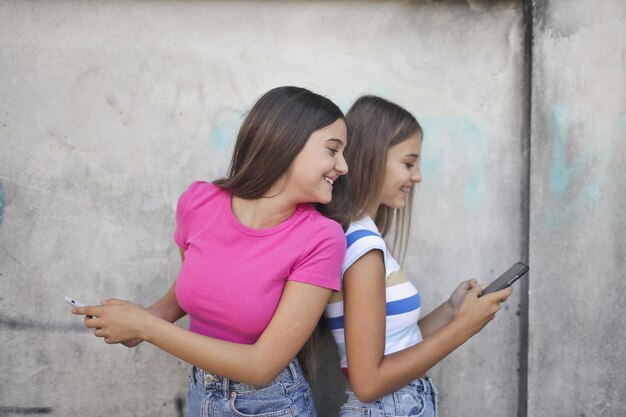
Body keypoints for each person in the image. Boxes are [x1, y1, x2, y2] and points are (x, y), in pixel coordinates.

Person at [72, 86, 350, 417]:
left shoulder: (321, 238)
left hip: (272, 404)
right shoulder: (199, 203)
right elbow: (188, 294)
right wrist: (138, 319)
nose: (343, 166)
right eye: (333, 150)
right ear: (286, 143)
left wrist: (147, 327)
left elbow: (261, 366)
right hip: (200, 394)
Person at [323, 95, 512, 417]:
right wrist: (463, 328)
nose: (418, 176)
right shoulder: (361, 244)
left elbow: (395, 346)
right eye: (408, 164)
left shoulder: (363, 236)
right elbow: (368, 382)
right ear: (372, 157)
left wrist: (450, 311)